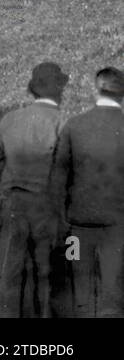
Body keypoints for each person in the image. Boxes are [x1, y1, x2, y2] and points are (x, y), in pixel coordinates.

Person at [0, 61, 67, 318]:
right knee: (46, 271)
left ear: (33, 90)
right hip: (46, 204)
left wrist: (9, 180)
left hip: (13, 202)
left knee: (9, 268)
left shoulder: (11, 119)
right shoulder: (63, 122)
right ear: (59, 91)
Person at [50, 66, 124, 318]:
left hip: (77, 225)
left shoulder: (74, 125)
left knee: (80, 287)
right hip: (117, 225)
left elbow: (57, 177)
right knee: (113, 290)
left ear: (96, 89)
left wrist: (61, 219)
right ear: (122, 95)